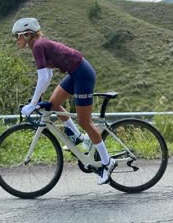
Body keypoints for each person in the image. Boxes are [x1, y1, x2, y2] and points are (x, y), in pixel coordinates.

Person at [12, 17, 117, 184]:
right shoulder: (38, 44)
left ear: (27, 34)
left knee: (85, 121)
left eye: (17, 36)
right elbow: (48, 75)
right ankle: (78, 138)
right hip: (76, 72)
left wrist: (33, 104)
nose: (16, 40)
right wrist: (37, 99)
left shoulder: (38, 45)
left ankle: (107, 162)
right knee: (53, 105)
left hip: (82, 75)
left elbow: (44, 76)